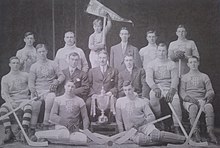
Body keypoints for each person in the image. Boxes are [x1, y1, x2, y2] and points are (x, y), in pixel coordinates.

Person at [116, 81, 185, 146]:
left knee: (156, 135)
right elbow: (119, 120)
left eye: (129, 89)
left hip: (144, 126)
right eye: (125, 90)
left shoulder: (141, 101)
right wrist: (122, 133)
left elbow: (152, 116)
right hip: (131, 130)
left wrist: (141, 122)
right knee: (141, 140)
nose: (127, 92)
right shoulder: (120, 102)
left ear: (133, 88)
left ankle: (184, 139)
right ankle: (168, 141)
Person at [33, 80, 89, 145]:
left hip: (74, 129)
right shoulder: (58, 99)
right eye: (68, 86)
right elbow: (52, 116)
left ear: (75, 88)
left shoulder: (80, 101)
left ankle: (49, 139)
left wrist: (86, 130)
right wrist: (65, 122)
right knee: (64, 134)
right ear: (64, 87)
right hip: (61, 127)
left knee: (84, 139)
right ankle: (39, 134)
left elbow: (85, 117)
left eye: (72, 87)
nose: (70, 88)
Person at [0, 57, 40, 144]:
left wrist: (34, 93)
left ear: (20, 64)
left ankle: (24, 131)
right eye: (13, 63)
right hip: (12, 100)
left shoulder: (26, 75)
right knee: (3, 109)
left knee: (28, 107)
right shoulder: (5, 78)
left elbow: (31, 86)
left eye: (17, 63)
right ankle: (9, 132)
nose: (15, 65)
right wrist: (10, 102)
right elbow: (4, 93)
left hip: (24, 99)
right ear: (10, 65)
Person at [28, 44, 65, 136]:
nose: (42, 53)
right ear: (37, 53)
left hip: (49, 90)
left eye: (43, 51)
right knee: (36, 105)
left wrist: (57, 81)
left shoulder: (53, 63)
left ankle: (45, 125)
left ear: (47, 52)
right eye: (39, 52)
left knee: (51, 99)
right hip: (38, 91)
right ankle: (32, 128)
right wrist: (33, 91)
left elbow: (62, 76)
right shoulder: (34, 66)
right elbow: (31, 82)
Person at [180, 56, 217, 144]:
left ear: (198, 63)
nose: (193, 64)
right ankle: (195, 132)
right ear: (188, 64)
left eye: (195, 62)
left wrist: (208, 96)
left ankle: (210, 132)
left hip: (202, 99)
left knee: (209, 107)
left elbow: (210, 90)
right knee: (193, 107)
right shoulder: (184, 77)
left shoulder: (204, 76)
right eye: (191, 62)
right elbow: (182, 92)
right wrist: (189, 99)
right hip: (189, 101)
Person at [146, 43, 182, 134]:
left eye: (163, 51)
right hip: (158, 87)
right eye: (159, 50)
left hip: (169, 88)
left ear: (166, 52)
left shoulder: (171, 63)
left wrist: (172, 90)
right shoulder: (151, 64)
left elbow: (175, 78)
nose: (161, 53)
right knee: (153, 98)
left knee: (176, 102)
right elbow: (149, 78)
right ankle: (159, 121)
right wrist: (155, 87)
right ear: (157, 51)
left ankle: (177, 126)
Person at [86, 50, 118, 121]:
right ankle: (92, 122)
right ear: (98, 59)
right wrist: (93, 94)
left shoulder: (113, 70)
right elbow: (89, 85)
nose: (102, 60)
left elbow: (116, 85)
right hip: (96, 95)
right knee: (88, 103)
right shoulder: (92, 71)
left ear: (107, 59)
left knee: (116, 102)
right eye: (100, 58)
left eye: (104, 58)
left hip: (108, 95)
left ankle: (111, 122)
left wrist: (111, 92)